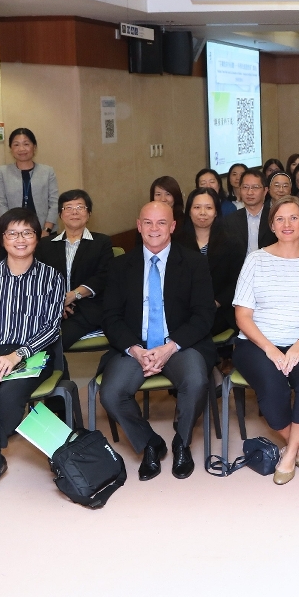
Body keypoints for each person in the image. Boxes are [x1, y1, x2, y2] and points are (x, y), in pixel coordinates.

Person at [99, 201, 217, 481]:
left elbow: (204, 315)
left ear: (173, 226)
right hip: (135, 347)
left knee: (196, 381)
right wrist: (135, 350)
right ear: (139, 226)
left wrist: (170, 346)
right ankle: (150, 443)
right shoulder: (119, 266)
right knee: (111, 393)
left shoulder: (194, 263)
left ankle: (181, 443)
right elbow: (110, 317)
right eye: (148, 223)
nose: (154, 229)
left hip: (179, 345)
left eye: (161, 222)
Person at [0, 208, 65, 499]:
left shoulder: (51, 278)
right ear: (2, 238)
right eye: (12, 233)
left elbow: (51, 328)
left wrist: (16, 356)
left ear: (37, 237)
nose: (20, 239)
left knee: (10, 397)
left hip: (30, 353)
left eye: (27, 232)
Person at [231, 196, 299, 485]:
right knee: (272, 385)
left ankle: (289, 454)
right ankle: (298, 448)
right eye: (280, 219)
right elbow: (242, 316)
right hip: (257, 343)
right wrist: (270, 349)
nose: (287, 224)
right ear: (272, 225)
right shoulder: (256, 260)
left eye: (293, 218)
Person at [35, 189, 113, 351]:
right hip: (52, 309)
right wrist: (57, 302)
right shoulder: (46, 245)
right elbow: (39, 278)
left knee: (51, 345)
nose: (74, 212)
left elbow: (104, 276)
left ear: (88, 213)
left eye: (80, 207)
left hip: (88, 309)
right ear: (60, 214)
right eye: (68, 207)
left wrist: (73, 295)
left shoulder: (101, 242)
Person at [177, 187, 242, 337]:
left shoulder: (232, 242)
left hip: (220, 310)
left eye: (208, 208)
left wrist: (215, 303)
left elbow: (237, 282)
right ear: (189, 211)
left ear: (216, 212)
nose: (202, 213)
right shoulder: (177, 243)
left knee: (197, 330)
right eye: (197, 207)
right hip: (185, 309)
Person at [0, 127, 59, 235]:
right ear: (11, 148)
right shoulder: (2, 172)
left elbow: (54, 203)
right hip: (13, 233)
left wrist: (47, 229)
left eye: (26, 144)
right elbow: (0, 204)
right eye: (16, 145)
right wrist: (13, 230)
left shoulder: (47, 171)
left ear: (34, 147)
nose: (21, 149)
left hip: (44, 231)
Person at [222, 169, 275, 257]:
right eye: (245, 187)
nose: (250, 192)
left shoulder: (274, 217)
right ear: (240, 190)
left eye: (255, 187)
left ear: (265, 191)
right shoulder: (230, 221)